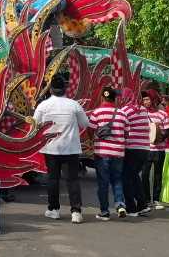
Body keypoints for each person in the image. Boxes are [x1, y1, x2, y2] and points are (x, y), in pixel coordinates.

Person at [33, 74, 89, 224]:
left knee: (53, 178)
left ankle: (53, 210)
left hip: (51, 148)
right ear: (65, 89)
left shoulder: (43, 106)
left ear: (50, 90)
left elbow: (34, 124)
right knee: (72, 180)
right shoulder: (74, 105)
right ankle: (76, 212)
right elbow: (84, 123)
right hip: (71, 148)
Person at [87, 87, 130, 220]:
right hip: (118, 152)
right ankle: (120, 205)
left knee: (103, 182)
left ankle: (105, 211)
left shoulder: (97, 112)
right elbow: (127, 133)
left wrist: (92, 139)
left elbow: (90, 129)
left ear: (102, 98)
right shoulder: (122, 113)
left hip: (102, 152)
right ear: (114, 99)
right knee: (117, 180)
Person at [118, 88, 151, 216]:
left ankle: (131, 208)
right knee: (134, 176)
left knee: (126, 177)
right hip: (145, 149)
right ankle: (143, 205)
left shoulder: (125, 110)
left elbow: (121, 128)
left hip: (131, 148)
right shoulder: (143, 109)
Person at [140, 89, 169, 210]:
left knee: (158, 175)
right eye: (143, 100)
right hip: (146, 149)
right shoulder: (142, 113)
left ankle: (156, 199)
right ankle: (147, 200)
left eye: (147, 99)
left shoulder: (162, 114)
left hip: (159, 149)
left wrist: (160, 138)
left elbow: (168, 131)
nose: (145, 102)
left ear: (153, 99)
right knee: (145, 174)